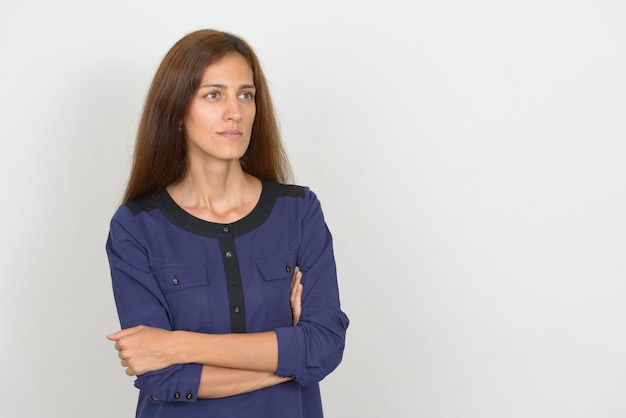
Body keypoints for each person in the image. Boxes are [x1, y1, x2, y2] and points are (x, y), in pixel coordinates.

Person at [104, 29, 349, 418]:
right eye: (213, 94)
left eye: (246, 94)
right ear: (177, 110)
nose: (234, 111)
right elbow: (163, 379)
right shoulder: (135, 228)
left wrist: (178, 345)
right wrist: (293, 359)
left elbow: (325, 345)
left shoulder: (299, 211)